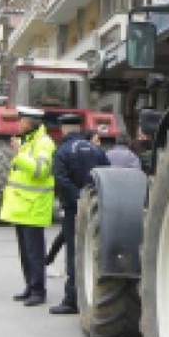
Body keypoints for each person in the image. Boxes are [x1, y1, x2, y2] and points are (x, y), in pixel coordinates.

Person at [49, 113, 109, 314]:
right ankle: (91, 292)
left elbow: (60, 179)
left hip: (73, 209)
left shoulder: (62, 151)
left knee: (73, 254)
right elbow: (107, 175)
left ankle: (71, 299)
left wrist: (77, 198)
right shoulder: (96, 150)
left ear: (63, 129)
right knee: (92, 250)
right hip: (96, 207)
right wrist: (90, 198)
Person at [0, 106, 56, 307]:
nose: (18, 124)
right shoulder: (28, 143)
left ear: (30, 123)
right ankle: (30, 286)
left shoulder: (44, 144)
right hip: (22, 208)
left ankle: (38, 291)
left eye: (21, 121)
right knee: (25, 252)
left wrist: (18, 155)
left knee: (35, 253)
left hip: (34, 207)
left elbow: (40, 171)